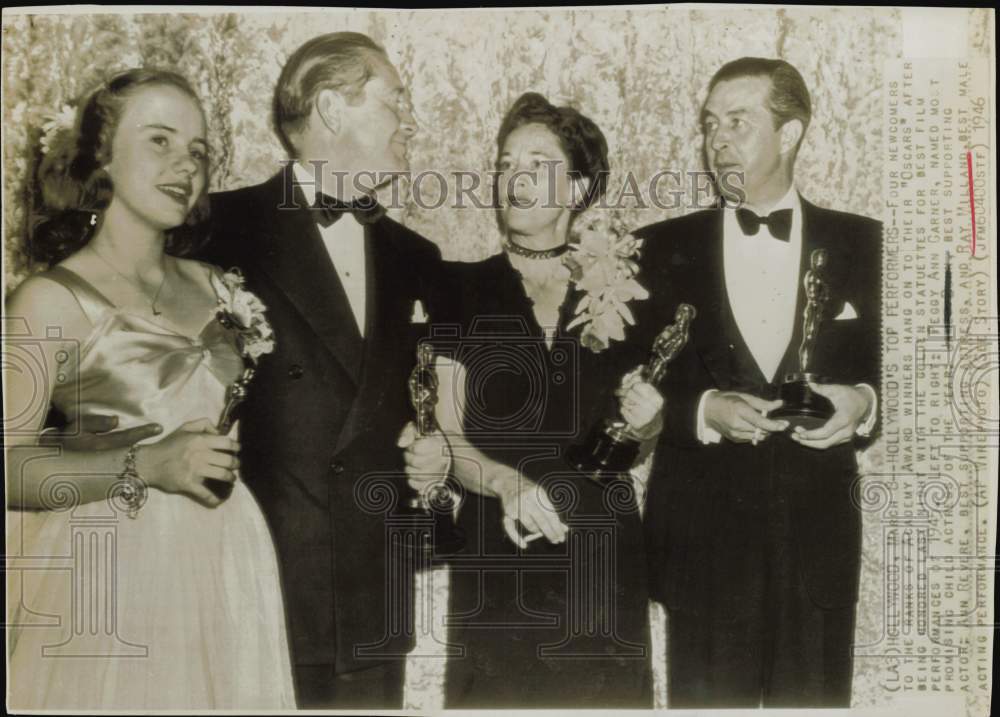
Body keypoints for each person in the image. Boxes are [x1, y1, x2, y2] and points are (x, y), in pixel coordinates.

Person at [5, 68, 294, 709]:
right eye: (159, 141)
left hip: (227, 559)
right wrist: (148, 464)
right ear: (100, 158)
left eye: (197, 150)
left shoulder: (224, 287)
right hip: (111, 567)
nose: (185, 165)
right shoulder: (48, 299)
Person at [201, 32, 446, 709]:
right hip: (253, 585)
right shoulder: (217, 228)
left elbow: (441, 396)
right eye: (395, 100)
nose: (409, 120)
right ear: (334, 110)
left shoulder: (413, 254)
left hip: (372, 603)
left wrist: (440, 444)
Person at [635, 57, 881, 707]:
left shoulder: (867, 242)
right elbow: (625, 390)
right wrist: (704, 411)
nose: (716, 141)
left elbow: (891, 373)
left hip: (818, 548)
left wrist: (861, 401)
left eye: (737, 122)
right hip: (703, 550)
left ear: (791, 134)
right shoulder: (654, 248)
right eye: (709, 124)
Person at [405, 92, 661, 708]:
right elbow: (445, 437)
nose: (514, 178)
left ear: (577, 189)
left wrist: (651, 422)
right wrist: (506, 485)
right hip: (503, 546)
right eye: (505, 163)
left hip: (603, 548)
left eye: (537, 163)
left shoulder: (622, 287)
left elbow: (638, 434)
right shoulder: (457, 286)